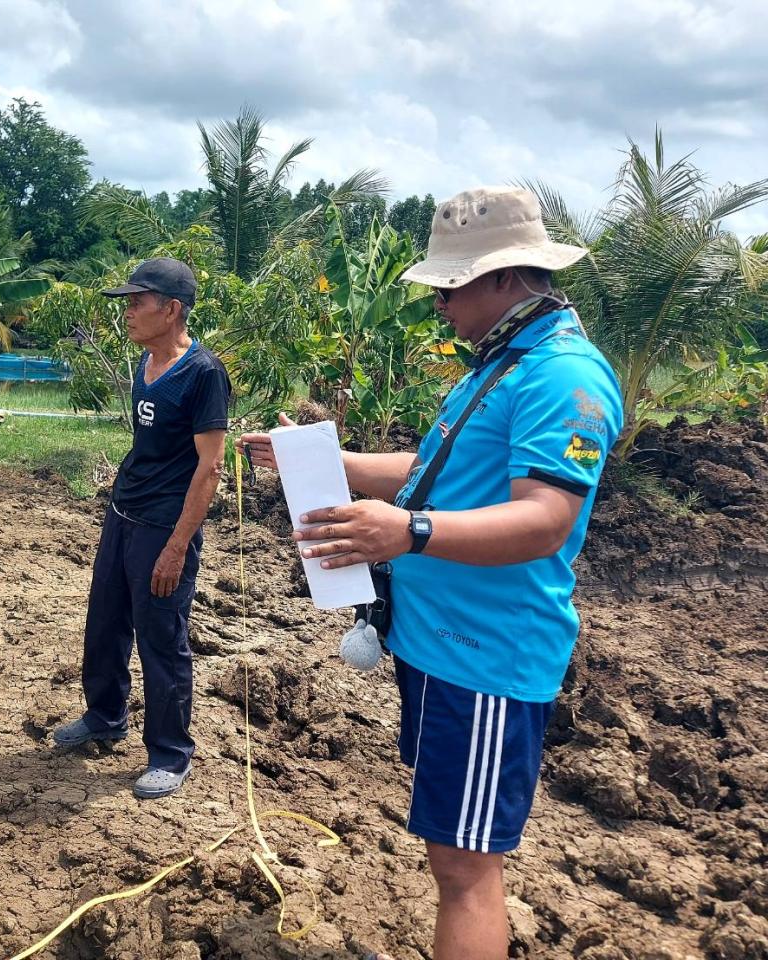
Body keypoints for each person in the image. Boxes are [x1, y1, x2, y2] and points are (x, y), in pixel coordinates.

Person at [241, 187, 623, 959]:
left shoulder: (563, 377)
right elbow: (434, 469)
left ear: (506, 279)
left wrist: (407, 533)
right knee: (452, 849)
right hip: (441, 644)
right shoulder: (504, 363)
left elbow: (547, 519)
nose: (441, 303)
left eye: (451, 286)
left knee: (465, 866)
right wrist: (332, 462)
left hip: (488, 654)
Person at [53, 258, 231, 799]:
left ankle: (170, 753)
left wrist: (178, 546)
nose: (128, 312)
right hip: (124, 512)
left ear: (172, 309)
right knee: (105, 622)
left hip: (164, 526)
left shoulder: (203, 374)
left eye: (138, 301)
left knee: (161, 636)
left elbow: (210, 468)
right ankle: (105, 716)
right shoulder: (143, 364)